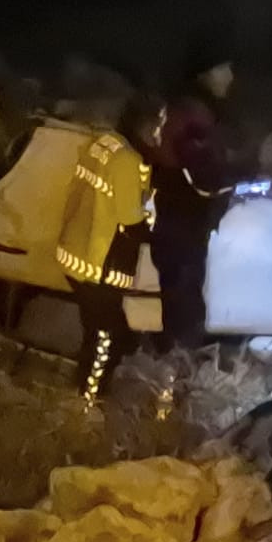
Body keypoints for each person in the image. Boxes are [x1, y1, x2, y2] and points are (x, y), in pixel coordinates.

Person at [57, 94, 166, 405]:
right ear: (143, 125)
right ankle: (88, 402)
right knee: (105, 337)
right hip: (100, 264)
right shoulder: (128, 162)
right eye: (158, 125)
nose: (161, 133)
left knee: (99, 331)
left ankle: (86, 391)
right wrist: (158, 236)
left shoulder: (104, 144)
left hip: (75, 253)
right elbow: (131, 222)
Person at [150, 46, 242, 351]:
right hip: (181, 218)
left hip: (176, 215)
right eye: (224, 69)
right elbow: (204, 177)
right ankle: (179, 360)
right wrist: (247, 174)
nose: (230, 76)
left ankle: (174, 354)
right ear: (207, 74)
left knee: (179, 291)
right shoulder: (194, 115)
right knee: (183, 294)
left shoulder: (189, 107)